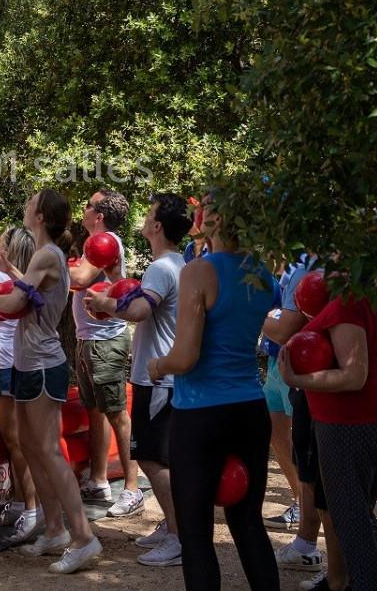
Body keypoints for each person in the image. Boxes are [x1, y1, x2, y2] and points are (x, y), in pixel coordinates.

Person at [147, 193, 281, 591]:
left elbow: (185, 356)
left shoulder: (200, 271)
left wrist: (158, 365)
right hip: (249, 409)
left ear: (217, 219)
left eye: (204, 207)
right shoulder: (263, 273)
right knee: (249, 523)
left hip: (202, 412)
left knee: (196, 529)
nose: (197, 214)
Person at [0, 190, 103, 574]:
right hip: (28, 362)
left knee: (47, 451)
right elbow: (31, 291)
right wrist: (6, 268)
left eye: (31, 200)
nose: (26, 202)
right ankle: (54, 530)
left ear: (40, 215)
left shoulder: (47, 255)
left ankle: (84, 537)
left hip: (42, 365)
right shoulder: (44, 256)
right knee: (33, 448)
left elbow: (17, 302)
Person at [85, 192, 191, 567]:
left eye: (149, 215)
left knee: (153, 460)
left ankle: (180, 537)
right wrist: (117, 282)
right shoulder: (177, 264)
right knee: (160, 458)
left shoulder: (162, 268)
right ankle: (173, 525)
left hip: (157, 379)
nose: (144, 220)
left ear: (158, 226)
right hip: (161, 376)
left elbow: (140, 310)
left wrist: (105, 304)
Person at [278, 285, 377, 591]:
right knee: (359, 517)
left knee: (351, 521)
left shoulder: (349, 303)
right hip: (375, 416)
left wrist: (295, 379)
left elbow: (354, 375)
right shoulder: (376, 294)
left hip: (352, 423)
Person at [68, 190, 141, 517]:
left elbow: (79, 279)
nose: (82, 210)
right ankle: (99, 480)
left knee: (116, 413)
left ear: (98, 215)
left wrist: (42, 260)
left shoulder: (103, 243)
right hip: (90, 339)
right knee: (95, 410)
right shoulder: (94, 244)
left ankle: (132, 488)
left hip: (105, 341)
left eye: (87, 205)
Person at [262, 254, 326, 574]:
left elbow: (287, 326)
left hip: (307, 371)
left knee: (314, 463)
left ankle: (311, 544)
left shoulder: (313, 265)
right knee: (289, 442)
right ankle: (303, 519)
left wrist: (256, 313)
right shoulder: (296, 263)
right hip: (284, 363)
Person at [0, 227, 40, 540]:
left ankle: (31, 508)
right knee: (17, 440)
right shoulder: (25, 277)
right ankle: (19, 502)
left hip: (2, 367)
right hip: (17, 363)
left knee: (16, 442)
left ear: (9, 250)